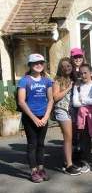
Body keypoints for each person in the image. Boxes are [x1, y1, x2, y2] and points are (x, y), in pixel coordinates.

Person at [17, 54, 54, 183]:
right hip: (29, 118)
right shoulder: (24, 80)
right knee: (32, 144)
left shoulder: (47, 81)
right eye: (35, 63)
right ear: (30, 65)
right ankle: (33, 172)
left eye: (41, 63)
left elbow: (50, 100)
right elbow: (21, 102)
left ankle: (41, 169)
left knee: (41, 144)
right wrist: (34, 118)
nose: (39, 65)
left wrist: (46, 117)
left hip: (43, 117)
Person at [72, 63, 92, 175]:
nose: (83, 75)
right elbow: (75, 103)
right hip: (82, 117)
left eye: (85, 72)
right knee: (84, 140)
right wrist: (86, 101)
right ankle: (86, 162)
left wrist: (83, 101)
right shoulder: (77, 87)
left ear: (91, 73)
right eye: (81, 73)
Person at [52, 58, 82, 175]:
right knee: (68, 138)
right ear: (61, 68)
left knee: (70, 138)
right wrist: (68, 88)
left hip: (71, 111)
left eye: (69, 65)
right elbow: (55, 97)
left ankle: (67, 162)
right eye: (64, 66)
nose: (67, 68)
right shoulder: (57, 81)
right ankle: (69, 166)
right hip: (62, 110)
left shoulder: (73, 78)